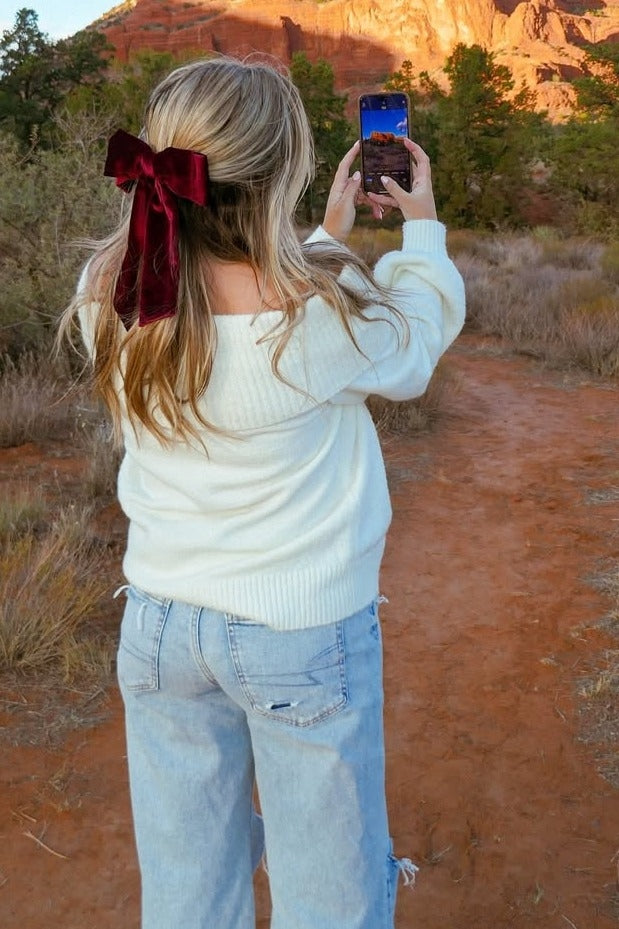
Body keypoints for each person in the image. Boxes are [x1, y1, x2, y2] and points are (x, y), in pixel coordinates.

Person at [63, 55, 465, 929]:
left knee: (186, 879)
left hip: (160, 625)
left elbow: (220, 300)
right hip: (298, 633)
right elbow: (417, 334)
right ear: (281, 174)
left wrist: (321, 234)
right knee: (329, 890)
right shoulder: (319, 314)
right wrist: (420, 230)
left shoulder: (115, 294)